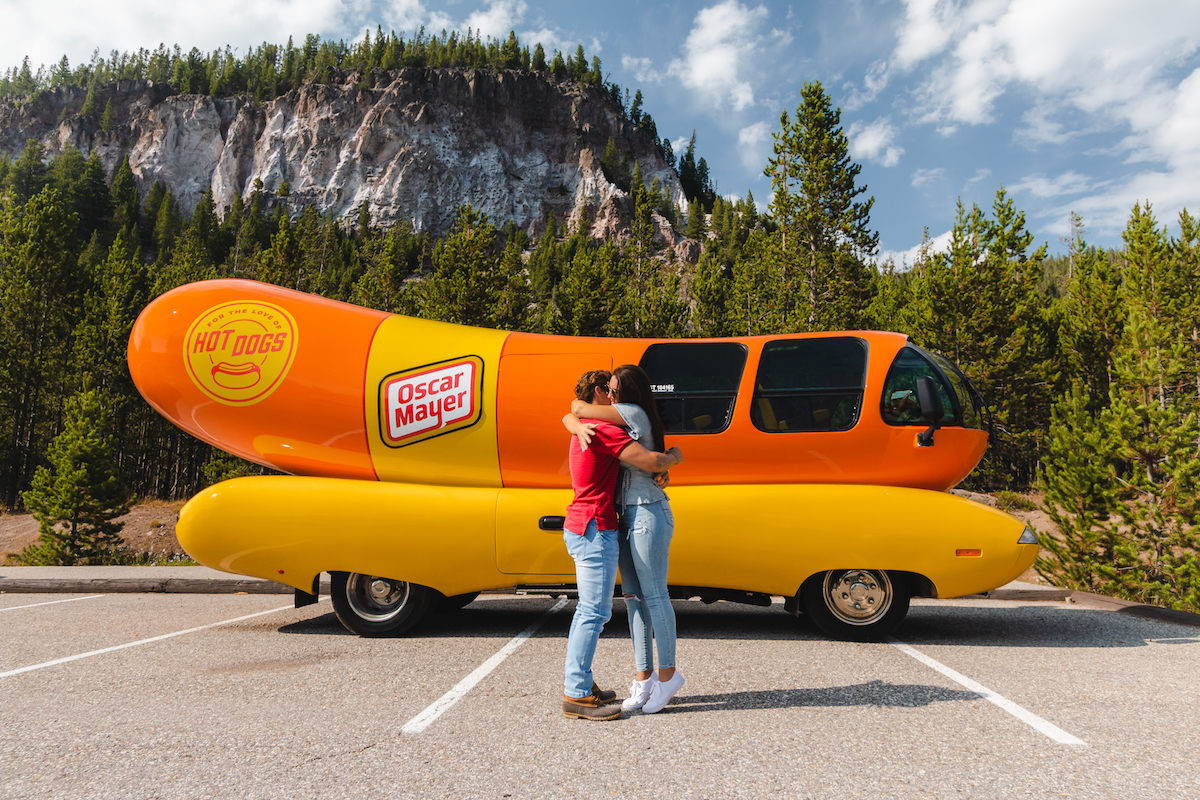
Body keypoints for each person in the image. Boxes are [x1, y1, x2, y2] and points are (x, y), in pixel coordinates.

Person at [560, 370, 683, 721]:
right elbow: (655, 461)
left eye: (617, 392)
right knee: (596, 610)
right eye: (608, 392)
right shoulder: (602, 428)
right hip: (598, 524)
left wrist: (574, 416)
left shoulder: (617, 420)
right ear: (600, 392)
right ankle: (578, 690)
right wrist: (674, 457)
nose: (612, 399)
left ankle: (650, 678)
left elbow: (576, 409)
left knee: (624, 603)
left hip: (623, 517)